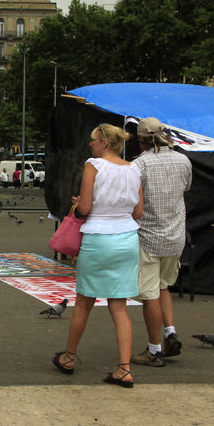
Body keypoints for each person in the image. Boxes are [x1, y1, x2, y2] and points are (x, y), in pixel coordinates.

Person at [52, 124, 143, 387]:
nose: (90, 144)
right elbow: (138, 211)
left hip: (99, 238)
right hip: (127, 238)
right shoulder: (134, 168)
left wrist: (79, 204)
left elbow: (85, 208)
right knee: (119, 305)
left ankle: (69, 357)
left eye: (93, 140)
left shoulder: (93, 165)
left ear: (103, 142)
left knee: (84, 301)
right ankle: (124, 368)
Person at [130, 117, 193, 368]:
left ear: (141, 140)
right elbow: (186, 189)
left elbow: (135, 203)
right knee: (164, 286)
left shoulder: (140, 164)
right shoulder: (183, 160)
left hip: (148, 237)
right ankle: (170, 332)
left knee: (149, 295)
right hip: (175, 236)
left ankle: (154, 350)